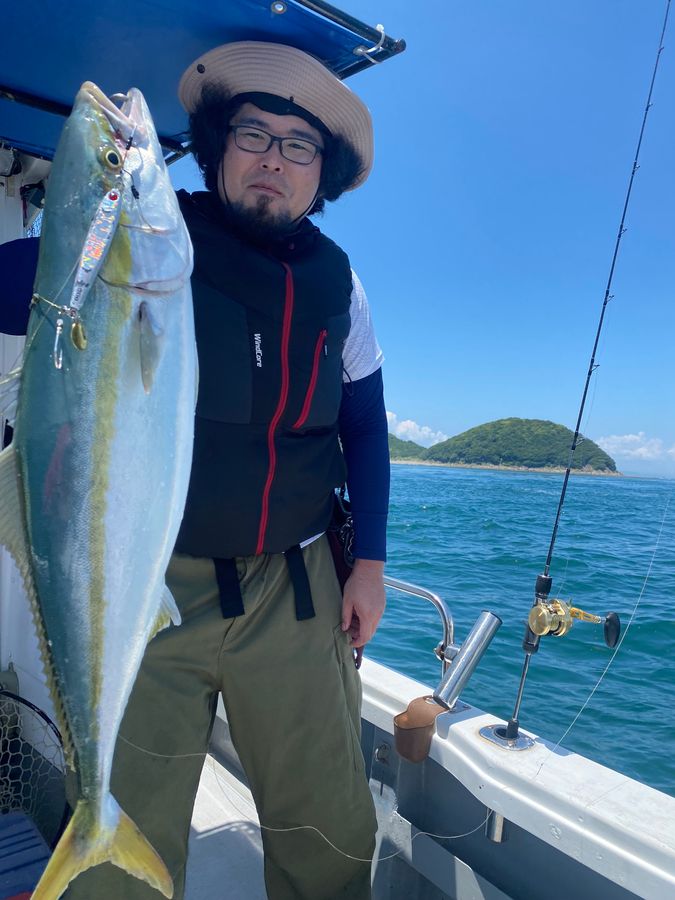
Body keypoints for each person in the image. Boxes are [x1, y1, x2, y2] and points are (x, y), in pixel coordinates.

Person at [63, 41, 390, 900]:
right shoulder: (150, 238)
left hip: (296, 588)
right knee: (125, 842)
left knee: (327, 832)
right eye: (253, 134)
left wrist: (369, 565)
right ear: (216, 148)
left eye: (299, 145)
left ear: (321, 174)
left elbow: (364, 426)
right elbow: (42, 276)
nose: (273, 160)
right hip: (150, 587)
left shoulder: (341, 286)